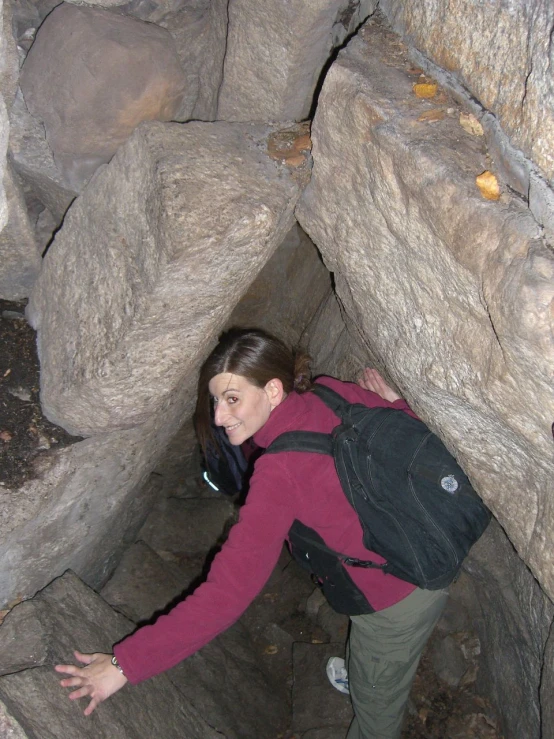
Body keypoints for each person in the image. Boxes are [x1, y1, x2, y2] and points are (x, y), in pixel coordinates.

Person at [56, 328, 448, 738]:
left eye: (232, 399)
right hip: (419, 535)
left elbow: (226, 595)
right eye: (215, 401)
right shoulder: (330, 392)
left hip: (398, 598)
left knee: (376, 718)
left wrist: (123, 666)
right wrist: (396, 404)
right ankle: (367, 671)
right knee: (370, 654)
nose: (219, 416)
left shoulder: (278, 475)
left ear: (273, 390)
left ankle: (373, 689)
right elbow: (412, 437)